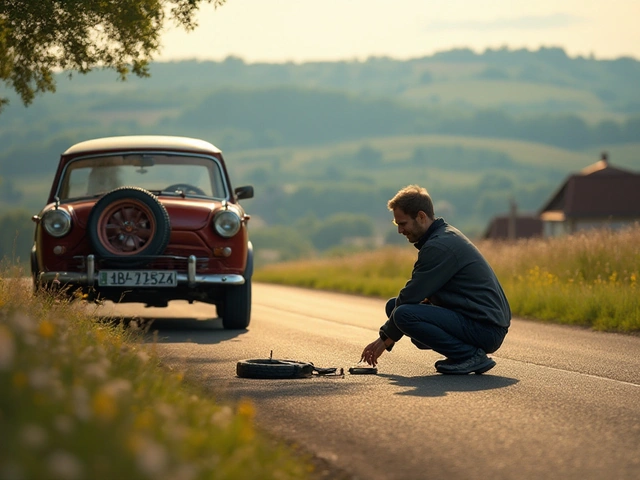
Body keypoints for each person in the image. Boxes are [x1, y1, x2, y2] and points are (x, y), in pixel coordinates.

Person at [360, 185, 511, 375]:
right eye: (396, 224)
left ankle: (469, 356)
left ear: (422, 217)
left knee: (402, 314)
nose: (399, 230)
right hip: (478, 320)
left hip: (485, 328)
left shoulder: (439, 246)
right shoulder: (442, 236)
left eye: (403, 223)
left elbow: (411, 296)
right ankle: (463, 353)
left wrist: (383, 339)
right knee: (394, 307)